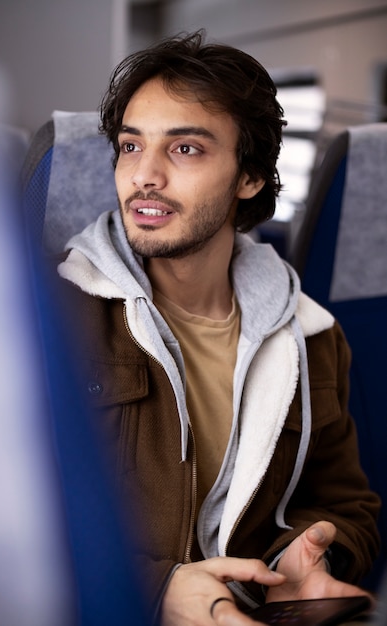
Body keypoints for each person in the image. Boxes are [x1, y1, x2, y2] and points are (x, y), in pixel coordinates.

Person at [54, 31, 380, 625]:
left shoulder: (310, 335)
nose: (144, 175)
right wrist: (159, 592)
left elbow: (345, 504)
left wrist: (311, 561)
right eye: (130, 147)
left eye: (184, 150)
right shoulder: (57, 320)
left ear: (249, 177)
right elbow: (12, 519)